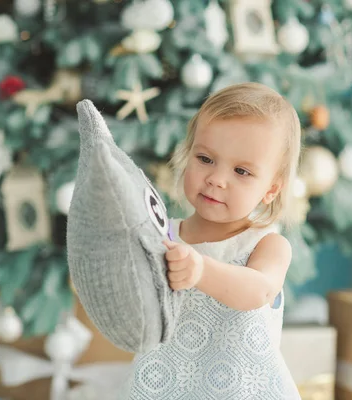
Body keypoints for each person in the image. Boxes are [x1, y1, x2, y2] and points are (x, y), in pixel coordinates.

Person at [119, 82, 303, 399]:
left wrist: (200, 270)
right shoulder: (163, 235)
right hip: (166, 385)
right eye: (205, 159)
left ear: (271, 189)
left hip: (240, 390)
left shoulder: (266, 245)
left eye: (242, 171)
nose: (216, 179)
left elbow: (257, 290)